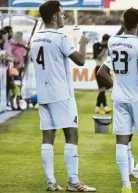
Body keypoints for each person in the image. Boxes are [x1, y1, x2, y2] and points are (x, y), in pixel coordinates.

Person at [31, 1, 96, 191]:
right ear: (54, 16)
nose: (64, 16)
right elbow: (81, 61)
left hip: (43, 93)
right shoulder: (60, 37)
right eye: (62, 13)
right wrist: (83, 43)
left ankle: (51, 182)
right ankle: (73, 182)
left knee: (48, 136)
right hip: (61, 93)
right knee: (72, 134)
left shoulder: (36, 37)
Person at [97, 8, 138, 193]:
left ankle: (126, 186)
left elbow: (102, 72)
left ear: (123, 22)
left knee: (122, 140)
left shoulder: (113, 41)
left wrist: (116, 85)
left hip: (119, 98)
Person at [92, 34, 112, 114]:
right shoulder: (96, 45)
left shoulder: (109, 48)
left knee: (105, 88)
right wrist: (104, 48)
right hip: (99, 68)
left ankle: (98, 107)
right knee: (102, 89)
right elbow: (99, 56)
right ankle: (105, 107)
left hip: (106, 69)